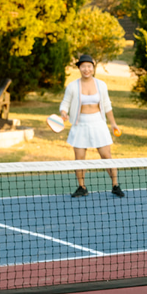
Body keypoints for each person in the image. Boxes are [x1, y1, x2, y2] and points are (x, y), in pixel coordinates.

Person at [59, 53, 123, 198]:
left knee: (106, 156)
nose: (86, 69)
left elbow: (107, 106)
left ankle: (115, 185)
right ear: (79, 68)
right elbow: (65, 103)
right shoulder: (72, 86)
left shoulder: (101, 85)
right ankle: (82, 187)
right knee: (79, 159)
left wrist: (113, 124)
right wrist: (63, 112)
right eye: (83, 67)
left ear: (93, 68)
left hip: (98, 123)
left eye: (89, 66)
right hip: (80, 124)